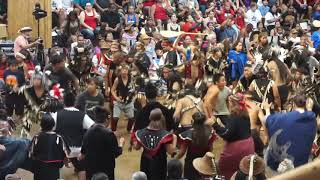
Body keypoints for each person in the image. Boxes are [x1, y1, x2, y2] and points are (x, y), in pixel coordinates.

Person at [258, 94, 316, 175]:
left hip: (280, 165)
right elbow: (309, 113)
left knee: (267, 151)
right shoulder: (312, 118)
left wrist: (267, 108)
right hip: (301, 164)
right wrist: (309, 109)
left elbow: (267, 120)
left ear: (293, 104)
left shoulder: (282, 118)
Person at [207, 93, 255, 180]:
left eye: (228, 102)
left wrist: (214, 124)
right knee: (243, 169)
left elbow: (226, 134)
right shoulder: (245, 114)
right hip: (249, 145)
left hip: (238, 148)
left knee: (223, 167)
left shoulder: (234, 116)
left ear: (232, 103)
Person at [52, 92, 95, 180]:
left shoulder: (57, 114)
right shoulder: (82, 115)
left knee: (54, 168)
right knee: (82, 169)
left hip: (61, 149)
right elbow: (93, 128)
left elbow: (50, 129)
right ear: (75, 102)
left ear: (63, 102)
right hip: (78, 150)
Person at [80, 106, 125, 180]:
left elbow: (83, 152)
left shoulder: (88, 132)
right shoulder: (109, 134)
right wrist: (121, 144)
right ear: (107, 120)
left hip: (91, 170)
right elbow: (116, 153)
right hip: (106, 170)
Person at [132, 108, 177, 180]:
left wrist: (134, 140)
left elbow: (136, 147)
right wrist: (174, 139)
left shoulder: (141, 132)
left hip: (145, 160)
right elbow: (170, 151)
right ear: (162, 119)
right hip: (160, 161)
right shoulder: (165, 135)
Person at [176, 112, 217, 180]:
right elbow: (211, 148)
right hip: (204, 162)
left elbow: (182, 152)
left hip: (190, 162)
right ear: (204, 122)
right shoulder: (210, 132)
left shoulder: (188, 134)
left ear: (192, 122)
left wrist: (175, 159)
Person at [29, 113, 69, 180]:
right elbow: (66, 153)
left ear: (41, 125)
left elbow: (31, 153)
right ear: (53, 125)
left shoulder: (37, 137)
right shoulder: (59, 137)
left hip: (39, 168)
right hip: (54, 169)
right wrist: (66, 163)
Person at [111, 64, 135, 132]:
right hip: (119, 102)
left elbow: (134, 88)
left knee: (131, 118)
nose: (124, 71)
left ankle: (129, 129)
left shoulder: (131, 78)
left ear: (128, 71)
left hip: (129, 102)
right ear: (120, 71)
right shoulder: (117, 79)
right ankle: (113, 131)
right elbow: (112, 90)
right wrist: (116, 98)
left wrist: (133, 97)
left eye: (126, 70)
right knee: (115, 118)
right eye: (123, 70)